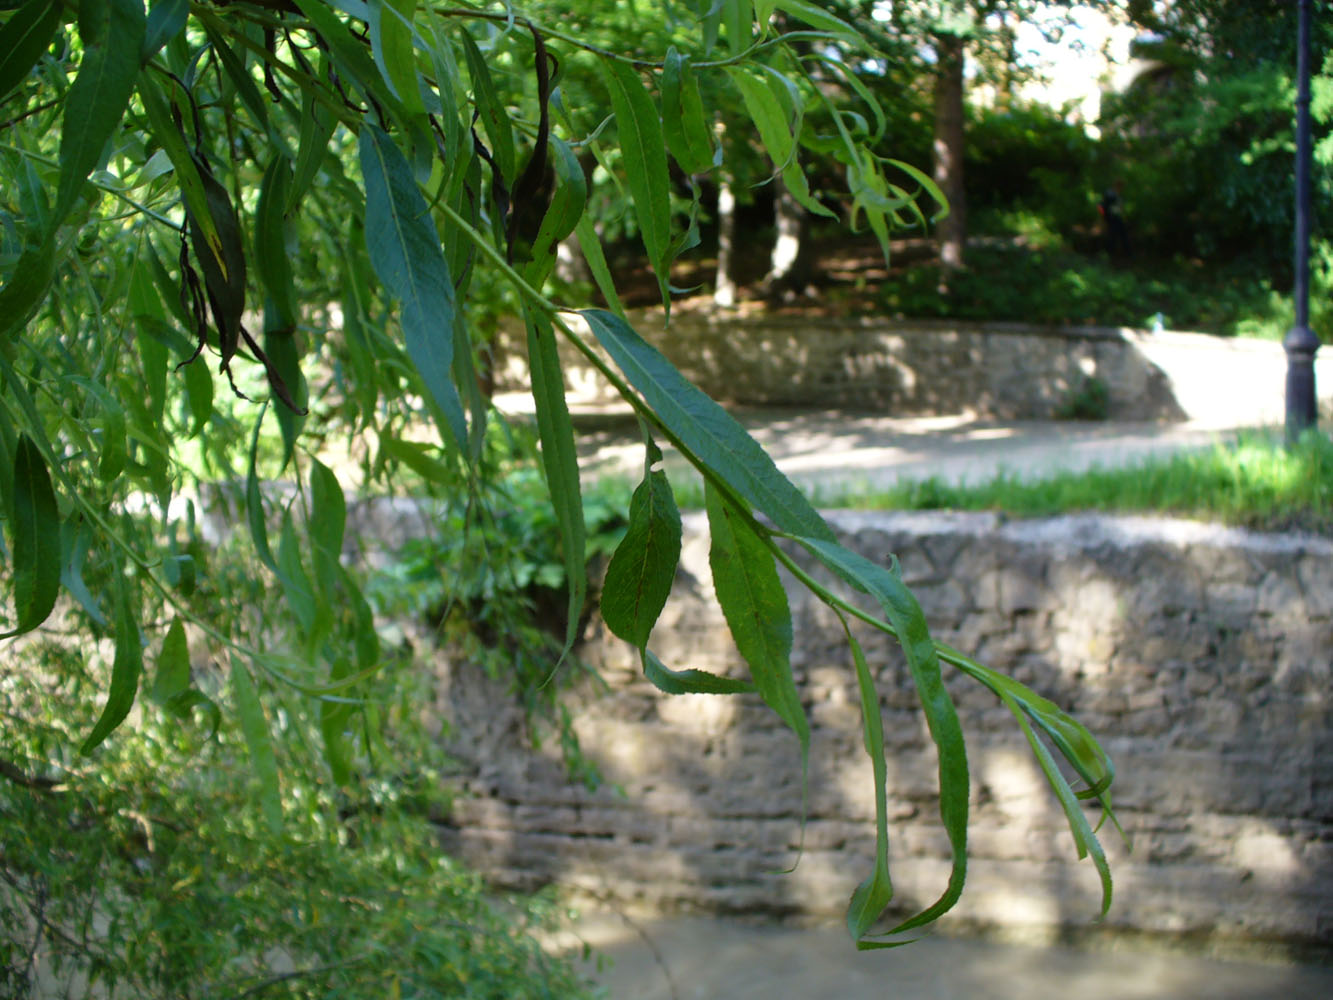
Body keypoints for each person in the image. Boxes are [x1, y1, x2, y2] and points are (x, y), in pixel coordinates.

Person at [1098, 180, 1131, 258]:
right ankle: (1109, 254)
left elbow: (1120, 208)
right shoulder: (1110, 194)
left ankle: (1125, 253)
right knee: (1113, 236)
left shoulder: (1117, 195)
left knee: (1121, 235)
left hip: (1117, 218)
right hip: (1112, 218)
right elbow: (1101, 206)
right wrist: (1104, 217)